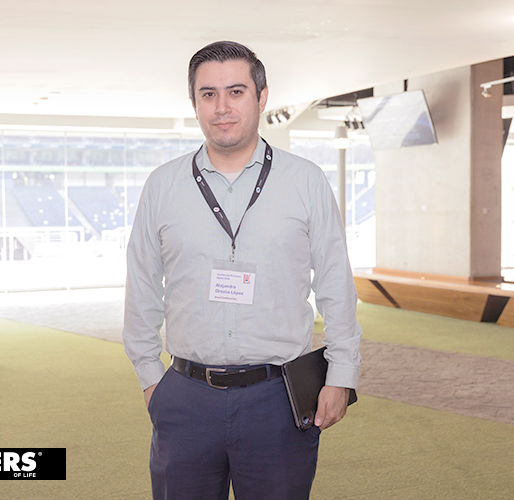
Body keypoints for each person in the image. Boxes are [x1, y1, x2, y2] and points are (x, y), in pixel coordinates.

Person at [122, 40, 362, 500]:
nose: (222, 107)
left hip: (278, 399)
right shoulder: (163, 186)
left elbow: (335, 282)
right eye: (208, 94)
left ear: (262, 97)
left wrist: (341, 374)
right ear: (194, 102)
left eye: (236, 91)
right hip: (186, 397)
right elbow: (143, 286)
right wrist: (152, 379)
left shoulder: (305, 181)